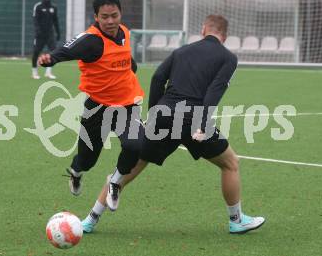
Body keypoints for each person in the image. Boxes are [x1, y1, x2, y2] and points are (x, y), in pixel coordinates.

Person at [81, 15, 266, 235]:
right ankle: (236, 220)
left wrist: (154, 113)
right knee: (230, 164)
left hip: (164, 113)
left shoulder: (181, 51)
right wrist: (203, 124)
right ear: (224, 36)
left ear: (204, 29)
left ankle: (90, 220)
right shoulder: (228, 58)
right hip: (193, 118)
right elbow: (213, 93)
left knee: (133, 165)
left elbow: (158, 78)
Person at [38, 0, 144, 210]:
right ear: (96, 17)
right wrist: (51, 58)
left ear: (120, 13)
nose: (111, 21)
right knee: (87, 159)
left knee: (136, 145)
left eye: (114, 15)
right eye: (105, 17)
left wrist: (131, 68)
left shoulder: (124, 32)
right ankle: (76, 172)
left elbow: (125, 58)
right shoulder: (91, 40)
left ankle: (115, 182)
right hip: (97, 108)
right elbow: (68, 49)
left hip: (127, 104)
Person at [32, 0, 61, 80]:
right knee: (36, 52)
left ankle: (48, 72)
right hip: (40, 35)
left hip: (50, 34)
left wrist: (58, 32)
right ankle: (34, 73)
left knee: (53, 53)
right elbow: (35, 20)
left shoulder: (53, 7)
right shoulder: (38, 6)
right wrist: (38, 30)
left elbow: (56, 21)